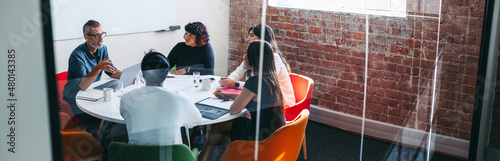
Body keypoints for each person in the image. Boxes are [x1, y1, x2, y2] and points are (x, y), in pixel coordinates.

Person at [199, 41, 286, 161]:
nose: (244, 56)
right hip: (275, 136)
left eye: (246, 53)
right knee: (224, 128)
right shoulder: (271, 79)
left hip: (259, 138)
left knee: (218, 126)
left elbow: (234, 110)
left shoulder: (255, 81)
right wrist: (228, 95)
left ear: (253, 58)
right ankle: (225, 155)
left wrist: (232, 98)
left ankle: (204, 157)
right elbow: (251, 98)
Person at [120, 51, 203, 145]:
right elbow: (197, 120)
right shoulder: (180, 99)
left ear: (142, 74)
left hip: (136, 156)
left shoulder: (126, 98)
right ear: (166, 75)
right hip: (171, 156)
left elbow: (125, 116)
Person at [62, 20, 122, 132]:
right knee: (106, 117)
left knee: (115, 110)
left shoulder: (102, 48)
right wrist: (98, 67)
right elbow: (83, 85)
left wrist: (128, 75)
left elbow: (111, 72)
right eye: (97, 36)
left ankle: (108, 138)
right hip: (76, 100)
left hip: (91, 95)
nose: (101, 39)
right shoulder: (77, 56)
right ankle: (101, 142)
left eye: (102, 34)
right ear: (86, 37)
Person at [219, 24, 295, 108]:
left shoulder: (273, 57)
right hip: (261, 99)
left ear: (263, 38)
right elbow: (238, 72)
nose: (247, 39)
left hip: (279, 103)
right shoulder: (252, 55)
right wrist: (227, 81)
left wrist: (236, 84)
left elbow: (264, 86)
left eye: (252, 35)